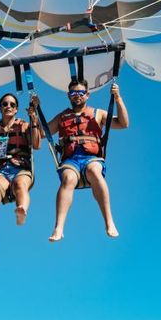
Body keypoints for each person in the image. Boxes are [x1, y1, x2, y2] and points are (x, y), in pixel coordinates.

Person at [32, 79, 128, 242]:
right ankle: (59, 227)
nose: (77, 96)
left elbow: (123, 123)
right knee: (68, 179)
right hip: (71, 160)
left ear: (87, 95)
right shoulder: (63, 116)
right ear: (69, 96)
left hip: (92, 158)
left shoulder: (98, 113)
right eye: (73, 93)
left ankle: (109, 221)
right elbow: (42, 134)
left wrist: (118, 98)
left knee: (94, 172)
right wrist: (34, 113)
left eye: (80, 93)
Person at [0, 93, 41, 263]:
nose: (8, 106)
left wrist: (34, 119)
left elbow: (37, 144)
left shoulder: (24, 125)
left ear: (16, 108)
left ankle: (21, 210)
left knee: (20, 184)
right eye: (5, 104)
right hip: (0, 170)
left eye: (12, 104)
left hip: (20, 167)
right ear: (0, 108)